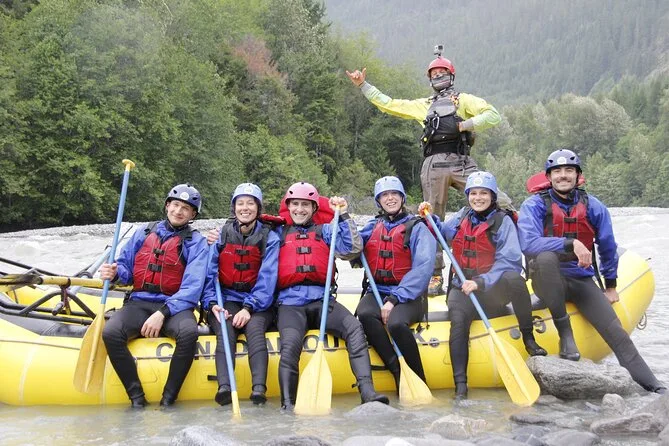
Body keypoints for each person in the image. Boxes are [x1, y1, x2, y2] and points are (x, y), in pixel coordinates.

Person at [347, 50, 506, 296]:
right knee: (431, 219)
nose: (438, 76)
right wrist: (363, 85)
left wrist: (464, 125)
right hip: (433, 165)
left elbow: (493, 116)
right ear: (430, 79)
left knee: (501, 203)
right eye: (434, 74)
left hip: (462, 161)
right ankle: (434, 274)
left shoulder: (463, 101)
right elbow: (389, 104)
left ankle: (504, 264)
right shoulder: (423, 105)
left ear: (451, 76)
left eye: (443, 73)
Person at [518, 149, 666, 394]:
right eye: (557, 171)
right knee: (545, 258)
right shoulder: (534, 205)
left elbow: (607, 245)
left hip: (580, 278)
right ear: (549, 177)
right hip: (547, 280)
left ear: (578, 176)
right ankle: (565, 335)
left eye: (569, 170)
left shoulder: (593, 206)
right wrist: (570, 243)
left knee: (616, 331)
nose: (563, 175)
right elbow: (528, 243)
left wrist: (611, 286)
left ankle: (655, 387)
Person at [419, 171, 546, 400]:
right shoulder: (462, 216)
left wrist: (480, 282)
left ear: (492, 196)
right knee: (458, 323)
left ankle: (528, 337)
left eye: (484, 193)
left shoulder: (503, 221)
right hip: (461, 287)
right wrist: (429, 219)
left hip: (491, 290)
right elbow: (442, 233)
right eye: (474, 193)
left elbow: (509, 261)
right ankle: (460, 386)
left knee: (515, 280)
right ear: (468, 195)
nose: (478, 198)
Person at [276, 182, 389, 411]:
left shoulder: (326, 231)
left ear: (314, 208)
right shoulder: (278, 233)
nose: (299, 209)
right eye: (295, 204)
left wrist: (344, 214)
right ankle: (287, 404)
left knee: (354, 329)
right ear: (288, 207)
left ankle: (367, 391)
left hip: (322, 301)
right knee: (289, 346)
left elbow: (352, 249)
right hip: (290, 304)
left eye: (305, 205)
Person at [101, 184, 208, 408]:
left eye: (186, 208)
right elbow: (125, 268)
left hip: (175, 307)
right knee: (111, 333)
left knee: (189, 333)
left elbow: (193, 287)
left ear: (193, 215)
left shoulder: (196, 242)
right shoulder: (144, 232)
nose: (179, 211)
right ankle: (136, 398)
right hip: (139, 303)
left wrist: (162, 313)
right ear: (167, 206)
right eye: (175, 205)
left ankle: (168, 399)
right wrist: (115, 274)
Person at [201, 183, 279, 406]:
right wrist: (212, 303)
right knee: (225, 328)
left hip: (259, 302)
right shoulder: (221, 235)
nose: (245, 208)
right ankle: (225, 387)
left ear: (258, 208)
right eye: (240, 203)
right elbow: (209, 275)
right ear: (234, 208)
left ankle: (259, 390)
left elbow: (267, 279)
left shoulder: (270, 238)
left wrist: (249, 308)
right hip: (226, 298)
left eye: (250, 203)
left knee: (255, 329)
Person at [355, 176, 435, 391]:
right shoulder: (373, 226)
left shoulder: (417, 227)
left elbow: (423, 268)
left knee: (396, 324)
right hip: (377, 290)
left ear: (402, 198)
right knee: (364, 314)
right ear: (379, 201)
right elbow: (350, 246)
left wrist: (394, 299)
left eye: (394, 194)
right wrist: (341, 218)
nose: (390, 198)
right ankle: (397, 372)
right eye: (384, 195)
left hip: (408, 295)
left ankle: (419, 379)